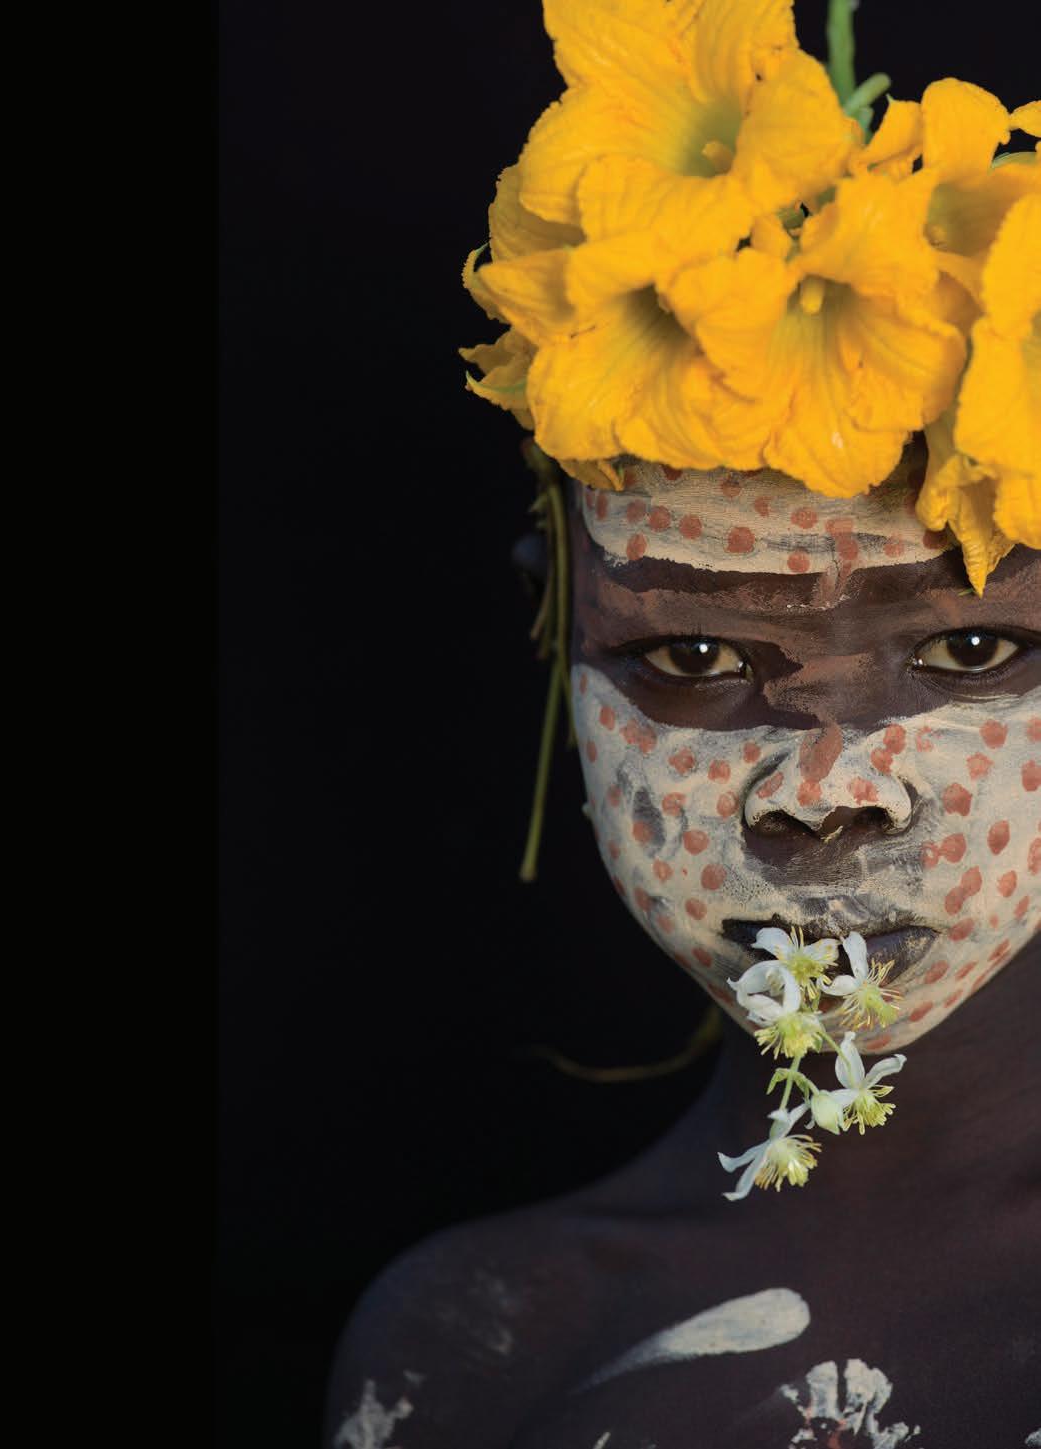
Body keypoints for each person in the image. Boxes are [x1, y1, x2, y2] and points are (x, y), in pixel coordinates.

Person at [325, 2, 1040, 1442]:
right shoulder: (475, 1353)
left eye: (968, 649)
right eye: (695, 654)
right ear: (558, 642)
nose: (824, 791)